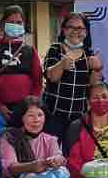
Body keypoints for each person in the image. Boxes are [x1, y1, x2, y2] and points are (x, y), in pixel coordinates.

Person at [43, 12, 103, 140]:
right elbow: (52, 77)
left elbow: (94, 86)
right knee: (53, 155)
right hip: (53, 116)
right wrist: (61, 65)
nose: (75, 31)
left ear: (86, 32)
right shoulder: (55, 49)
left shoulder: (90, 53)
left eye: (80, 28)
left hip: (78, 118)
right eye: (70, 27)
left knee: (74, 154)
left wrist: (97, 69)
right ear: (64, 30)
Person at [0, 5, 44, 123]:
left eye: (19, 22)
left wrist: (30, 107)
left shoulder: (30, 50)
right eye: (11, 22)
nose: (15, 25)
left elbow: (38, 82)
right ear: (2, 24)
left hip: (26, 112)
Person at [0, 97, 66, 178]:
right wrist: (31, 166)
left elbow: (59, 157)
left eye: (40, 115)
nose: (36, 120)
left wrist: (57, 160)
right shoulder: (10, 137)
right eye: (30, 115)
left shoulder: (50, 140)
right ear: (21, 117)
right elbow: (10, 168)